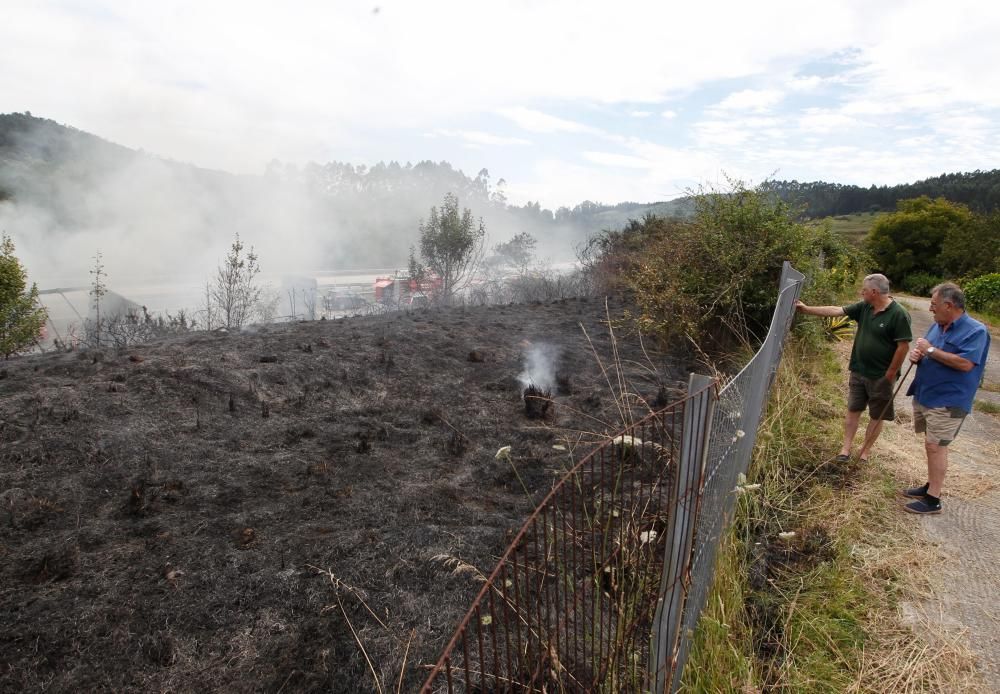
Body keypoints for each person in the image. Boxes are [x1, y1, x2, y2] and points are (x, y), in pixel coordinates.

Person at [796, 273, 912, 462]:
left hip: (881, 376)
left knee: (876, 415)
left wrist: (890, 373)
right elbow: (837, 310)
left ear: (874, 292)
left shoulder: (899, 314)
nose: (861, 292)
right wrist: (807, 309)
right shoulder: (865, 307)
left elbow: (903, 346)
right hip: (859, 370)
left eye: (864, 290)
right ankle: (845, 449)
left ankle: (864, 452)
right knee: (853, 409)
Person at [901, 283, 991, 515]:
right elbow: (928, 353)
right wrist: (918, 355)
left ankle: (934, 501)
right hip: (927, 395)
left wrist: (930, 351)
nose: (931, 309)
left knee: (936, 446)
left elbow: (965, 363)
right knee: (930, 444)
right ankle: (930, 486)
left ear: (948, 305)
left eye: (933, 305)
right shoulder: (938, 326)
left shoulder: (976, 331)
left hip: (949, 400)